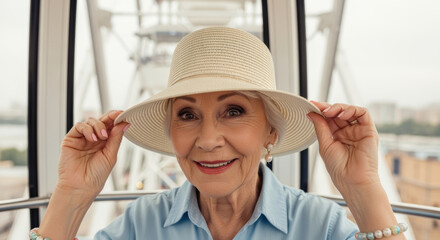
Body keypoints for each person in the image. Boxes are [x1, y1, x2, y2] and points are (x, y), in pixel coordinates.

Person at [33, 27, 407, 240]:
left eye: (234, 111)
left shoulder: (317, 225)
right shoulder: (139, 225)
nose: (208, 139)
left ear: (270, 132)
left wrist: (362, 187)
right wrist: (71, 194)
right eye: (187, 114)